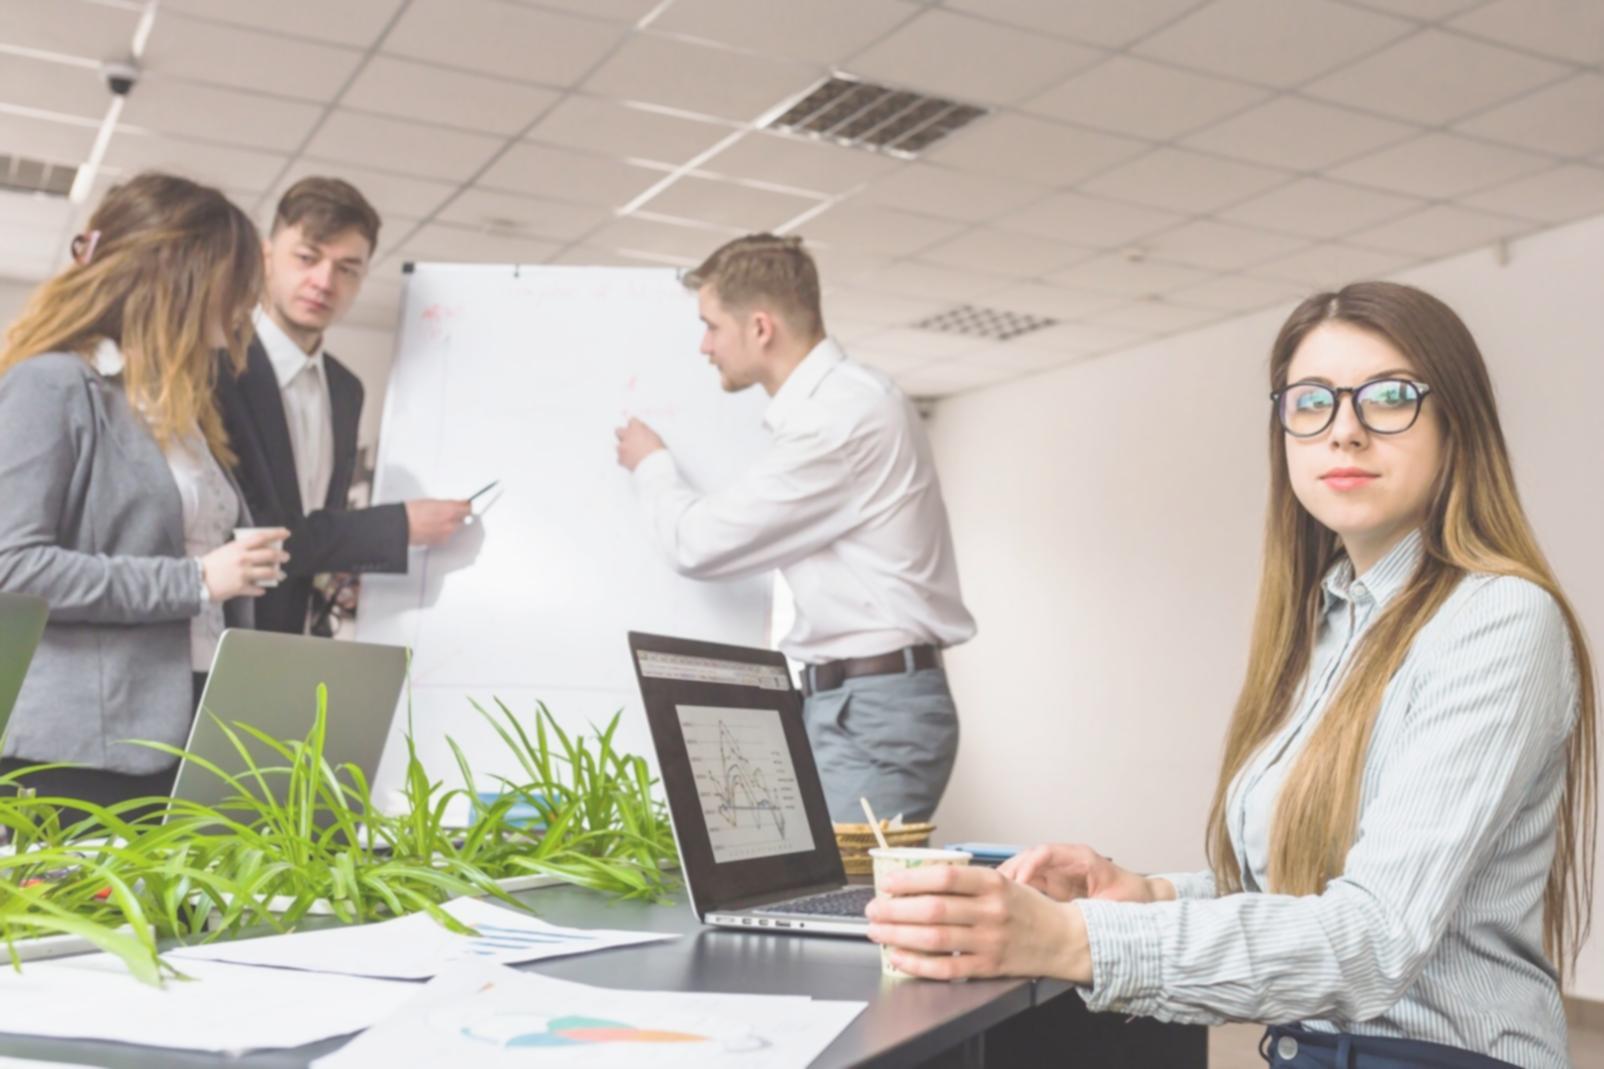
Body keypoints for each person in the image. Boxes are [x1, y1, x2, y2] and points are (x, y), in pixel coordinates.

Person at [864, 282, 1595, 1069]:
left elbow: (1372, 939)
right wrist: (1150, 893)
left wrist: (1069, 938)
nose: (1344, 431)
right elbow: (1307, 893)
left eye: (1389, 397)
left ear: (1458, 423)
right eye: (1311, 402)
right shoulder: (1330, 623)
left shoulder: (1499, 620)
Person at [615, 233, 976, 823]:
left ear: (760, 327)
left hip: (871, 715)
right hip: (850, 705)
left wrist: (651, 464)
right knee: (811, 901)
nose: (704, 346)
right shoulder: (842, 404)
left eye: (711, 326)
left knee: (840, 907)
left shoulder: (840, 419)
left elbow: (697, 544)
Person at [0, 172, 290, 809]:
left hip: (193, 729)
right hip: (79, 752)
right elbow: (13, 570)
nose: (246, 302)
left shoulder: (183, 410)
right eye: (234, 280)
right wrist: (196, 580)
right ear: (179, 276)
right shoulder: (52, 387)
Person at [215, 176, 470, 635]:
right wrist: (398, 526)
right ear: (268, 255)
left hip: (305, 635)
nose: (324, 282)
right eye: (307, 258)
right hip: (226, 631)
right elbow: (255, 531)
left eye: (347, 268)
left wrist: (341, 572)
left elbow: (318, 523)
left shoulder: (345, 389)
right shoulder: (219, 366)